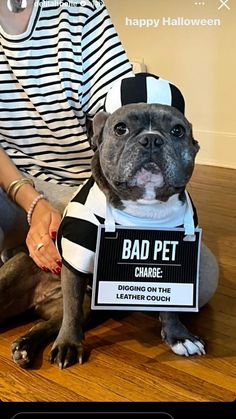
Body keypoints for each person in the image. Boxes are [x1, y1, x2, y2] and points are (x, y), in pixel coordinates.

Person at [0, 0, 134, 273]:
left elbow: (120, 128)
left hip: (87, 187)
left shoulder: (80, 9)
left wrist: (80, 211)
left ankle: (39, 262)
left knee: (198, 278)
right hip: (13, 188)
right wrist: (34, 205)